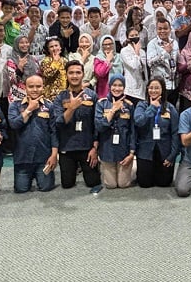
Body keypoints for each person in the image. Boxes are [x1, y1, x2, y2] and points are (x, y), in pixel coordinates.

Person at [53, 60, 102, 190]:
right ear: (66, 75)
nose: (74, 76)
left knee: (93, 182)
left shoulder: (92, 95)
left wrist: (95, 148)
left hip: (87, 147)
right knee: (67, 184)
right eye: (71, 73)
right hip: (67, 147)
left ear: (83, 74)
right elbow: (58, 123)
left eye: (78, 72)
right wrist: (71, 108)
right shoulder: (60, 97)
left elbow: (97, 124)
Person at [8, 74, 58, 192]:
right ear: (25, 87)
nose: (35, 89)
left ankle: (38, 175)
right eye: (31, 86)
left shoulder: (49, 106)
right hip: (22, 157)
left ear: (43, 87)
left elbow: (54, 132)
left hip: (43, 156)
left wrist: (54, 155)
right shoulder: (15, 105)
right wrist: (29, 109)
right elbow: (14, 124)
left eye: (38, 86)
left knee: (46, 187)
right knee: (21, 189)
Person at [133, 79, 181, 188]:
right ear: (147, 89)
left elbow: (175, 132)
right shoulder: (142, 105)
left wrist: (172, 155)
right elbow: (138, 122)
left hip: (164, 150)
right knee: (145, 184)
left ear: (162, 90)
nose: (153, 90)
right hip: (145, 150)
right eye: (151, 88)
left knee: (164, 183)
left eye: (157, 88)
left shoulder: (170, 108)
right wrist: (152, 108)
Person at [95, 74, 136, 189]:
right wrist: (113, 110)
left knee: (123, 184)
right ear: (109, 86)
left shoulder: (129, 105)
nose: (117, 88)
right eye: (114, 85)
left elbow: (133, 130)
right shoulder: (101, 103)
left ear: (124, 87)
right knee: (111, 185)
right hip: (107, 150)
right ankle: (105, 166)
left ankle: (133, 166)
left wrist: (131, 153)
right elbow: (99, 127)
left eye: (120, 85)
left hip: (123, 149)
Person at [147, 19, 179, 103]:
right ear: (156, 30)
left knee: (172, 109)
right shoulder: (152, 44)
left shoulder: (175, 43)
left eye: (165, 28)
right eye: (160, 29)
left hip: (174, 85)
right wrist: (165, 52)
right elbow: (150, 63)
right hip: (159, 86)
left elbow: (176, 61)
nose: (162, 31)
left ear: (170, 29)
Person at [5, 35, 39, 104]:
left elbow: (38, 76)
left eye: (27, 42)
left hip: (34, 95)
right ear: (16, 45)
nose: (25, 45)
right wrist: (19, 68)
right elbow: (11, 80)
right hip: (17, 96)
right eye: (21, 43)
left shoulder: (34, 59)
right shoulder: (11, 61)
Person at [120, 27, 147, 101]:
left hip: (142, 88)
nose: (135, 37)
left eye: (136, 35)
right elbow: (134, 66)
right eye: (132, 36)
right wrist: (136, 52)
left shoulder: (142, 52)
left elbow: (144, 69)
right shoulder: (124, 51)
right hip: (130, 88)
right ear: (128, 38)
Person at [93, 34, 120, 99]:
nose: (108, 46)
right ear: (101, 46)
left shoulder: (119, 57)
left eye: (110, 44)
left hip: (118, 91)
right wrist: (108, 60)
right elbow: (100, 73)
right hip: (103, 92)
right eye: (105, 44)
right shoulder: (98, 58)